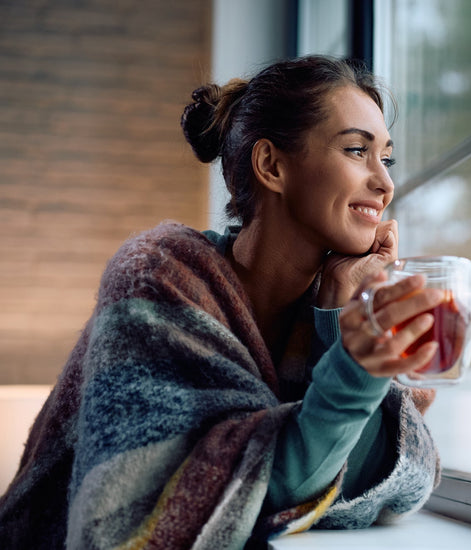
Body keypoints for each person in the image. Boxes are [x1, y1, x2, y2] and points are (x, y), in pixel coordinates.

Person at [0, 55, 444, 549]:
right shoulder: (156, 278)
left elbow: (365, 484)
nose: (385, 184)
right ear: (272, 165)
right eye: (357, 150)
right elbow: (229, 495)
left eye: (386, 158)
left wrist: (335, 314)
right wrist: (354, 366)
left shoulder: (331, 300)